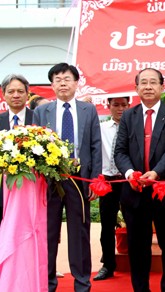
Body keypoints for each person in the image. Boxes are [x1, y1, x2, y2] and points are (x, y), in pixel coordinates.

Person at [114, 68, 165, 291]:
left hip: (163, 191)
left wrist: (156, 173)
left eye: (152, 82)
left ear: (162, 87)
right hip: (134, 192)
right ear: (136, 88)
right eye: (143, 83)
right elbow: (120, 151)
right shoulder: (128, 115)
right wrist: (129, 174)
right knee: (138, 247)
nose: (147, 86)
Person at [33, 63, 102, 292]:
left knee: (79, 232)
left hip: (79, 179)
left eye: (67, 78)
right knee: (49, 231)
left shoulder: (88, 110)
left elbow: (95, 145)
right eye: (57, 79)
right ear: (52, 85)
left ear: (76, 83)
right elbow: (36, 147)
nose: (62, 82)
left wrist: (94, 179)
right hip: (51, 180)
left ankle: (82, 283)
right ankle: (48, 282)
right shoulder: (42, 111)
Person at [94, 96, 130, 281]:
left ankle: (138, 261)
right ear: (108, 106)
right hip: (107, 181)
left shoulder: (133, 128)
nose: (120, 109)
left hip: (128, 180)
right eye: (116, 105)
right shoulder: (100, 129)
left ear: (129, 105)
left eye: (124, 105)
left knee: (134, 222)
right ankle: (108, 264)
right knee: (107, 225)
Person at [0, 74, 33, 225]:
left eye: (20, 91)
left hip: (31, 187)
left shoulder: (37, 119)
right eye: (11, 91)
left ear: (27, 94)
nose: (16, 95)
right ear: (3, 93)